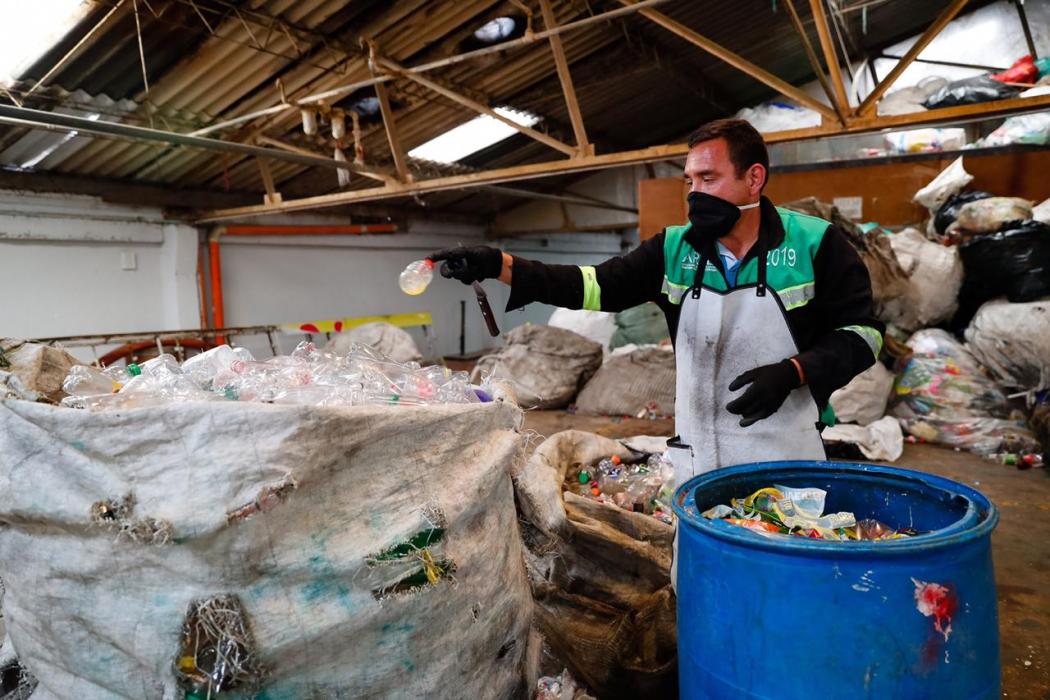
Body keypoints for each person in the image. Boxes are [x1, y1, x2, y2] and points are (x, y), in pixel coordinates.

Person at [431, 118, 883, 484]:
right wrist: (498, 264)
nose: (694, 192)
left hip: (790, 455)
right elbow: (594, 285)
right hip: (699, 456)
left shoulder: (815, 243)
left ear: (754, 179)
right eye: (689, 180)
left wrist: (794, 372)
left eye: (709, 177)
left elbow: (863, 335)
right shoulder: (673, 249)